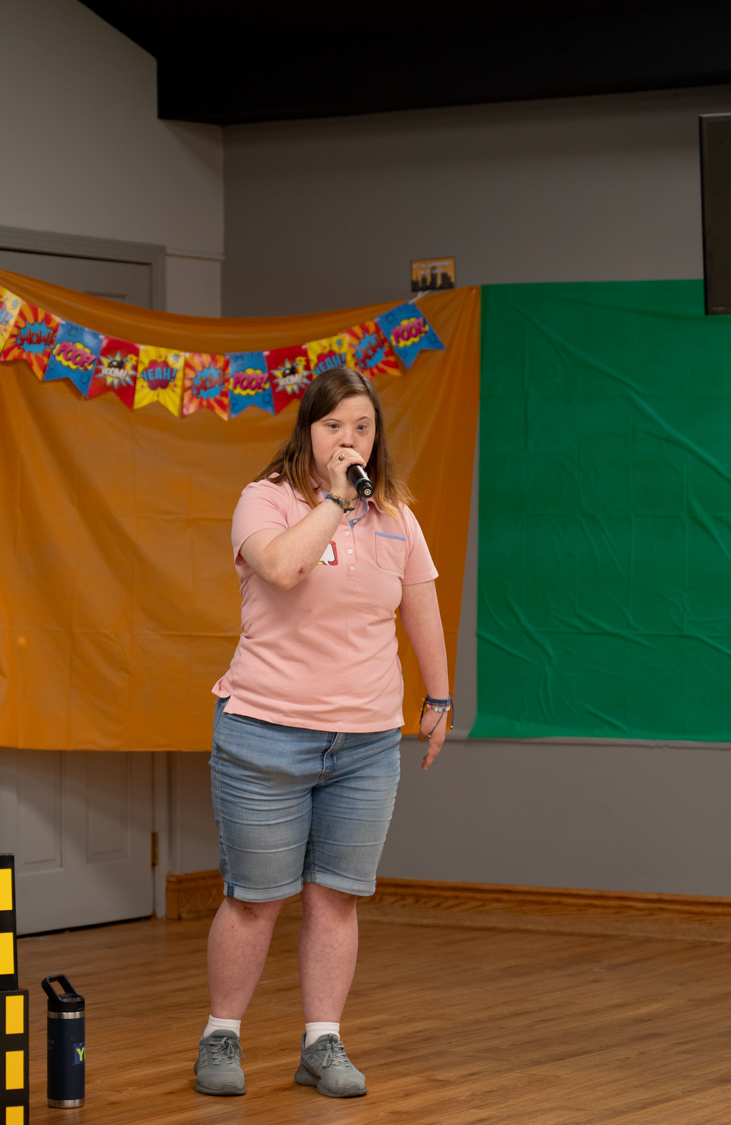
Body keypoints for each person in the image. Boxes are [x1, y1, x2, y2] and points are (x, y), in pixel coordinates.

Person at [193, 367, 451, 1099]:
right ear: (308, 431)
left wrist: (438, 696)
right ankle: (220, 1036)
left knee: (336, 895)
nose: (349, 439)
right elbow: (282, 567)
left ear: (376, 436)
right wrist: (336, 501)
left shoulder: (397, 516)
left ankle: (321, 1043)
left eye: (362, 427)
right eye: (334, 425)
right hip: (264, 734)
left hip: (365, 742)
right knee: (255, 897)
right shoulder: (265, 499)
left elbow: (420, 608)